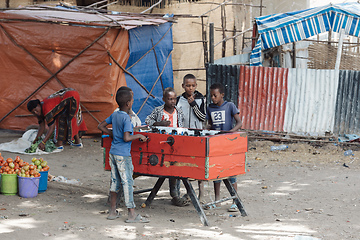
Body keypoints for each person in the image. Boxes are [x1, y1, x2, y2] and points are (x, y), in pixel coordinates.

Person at [98, 87, 149, 223]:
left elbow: (101, 126)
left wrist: (113, 134)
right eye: (132, 100)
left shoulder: (115, 115)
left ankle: (112, 211)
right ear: (128, 103)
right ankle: (132, 214)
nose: (132, 102)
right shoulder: (127, 119)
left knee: (115, 183)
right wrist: (138, 135)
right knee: (127, 183)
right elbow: (126, 138)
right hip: (123, 155)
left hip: (113, 153)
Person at [145, 87, 189, 207]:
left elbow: (183, 127)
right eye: (170, 99)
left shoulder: (179, 111)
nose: (172, 101)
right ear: (164, 99)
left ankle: (176, 195)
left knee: (177, 168)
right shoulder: (158, 111)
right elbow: (147, 120)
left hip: (177, 143)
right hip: (163, 143)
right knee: (167, 168)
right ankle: (174, 195)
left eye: (174, 99)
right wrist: (159, 124)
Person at [206, 83, 242, 212]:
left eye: (215, 95)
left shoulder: (230, 106)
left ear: (222, 95)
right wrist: (207, 129)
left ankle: (235, 200)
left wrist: (230, 132)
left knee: (231, 172)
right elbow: (210, 124)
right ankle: (217, 200)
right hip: (216, 143)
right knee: (216, 172)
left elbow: (239, 122)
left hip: (229, 143)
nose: (213, 98)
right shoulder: (210, 108)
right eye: (211, 96)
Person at [176, 74, 206, 202]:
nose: (190, 88)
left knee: (199, 164)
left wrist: (194, 104)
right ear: (183, 86)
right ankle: (189, 192)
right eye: (188, 86)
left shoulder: (200, 99)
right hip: (183, 137)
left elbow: (203, 117)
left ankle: (202, 194)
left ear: (196, 86)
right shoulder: (178, 100)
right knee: (185, 165)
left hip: (197, 136)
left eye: (193, 85)